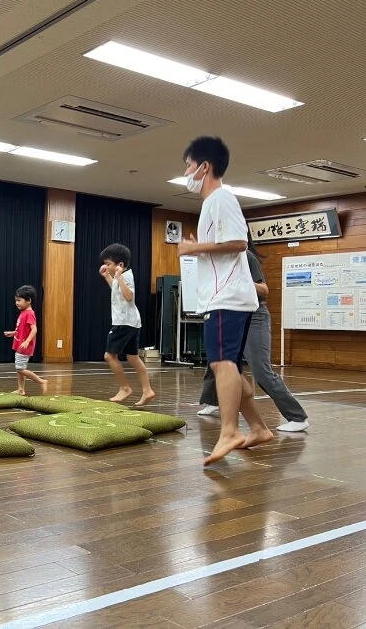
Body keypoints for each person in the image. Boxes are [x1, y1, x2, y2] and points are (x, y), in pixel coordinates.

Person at [177, 136, 274, 465]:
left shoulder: (221, 198)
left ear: (204, 167)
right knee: (231, 368)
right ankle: (259, 428)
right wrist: (199, 247)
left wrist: (195, 249)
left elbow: (237, 244)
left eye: (189, 166)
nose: (187, 172)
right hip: (224, 298)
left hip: (228, 298)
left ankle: (230, 430)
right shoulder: (210, 205)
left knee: (221, 365)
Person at [197, 238, 309, 432]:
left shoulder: (245, 257)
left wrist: (239, 282)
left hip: (254, 316)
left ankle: (297, 417)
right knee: (219, 361)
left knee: (261, 371)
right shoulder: (218, 262)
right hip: (231, 315)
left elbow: (263, 289)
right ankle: (213, 400)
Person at [99, 243, 156, 407]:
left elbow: (129, 296)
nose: (106, 266)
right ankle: (147, 390)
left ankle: (124, 387)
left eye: (108, 263)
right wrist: (108, 278)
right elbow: (117, 292)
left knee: (109, 356)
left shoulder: (126, 276)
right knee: (133, 357)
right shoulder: (120, 276)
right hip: (131, 321)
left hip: (123, 322)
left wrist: (118, 278)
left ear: (120, 265)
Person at [4, 285, 47, 395]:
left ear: (28, 301)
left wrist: (27, 341)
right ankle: (21, 389)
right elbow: (22, 329)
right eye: (16, 300)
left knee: (20, 369)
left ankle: (41, 381)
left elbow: (34, 330)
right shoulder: (23, 313)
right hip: (20, 344)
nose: (17, 303)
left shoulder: (29, 314)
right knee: (20, 369)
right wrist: (13, 333)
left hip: (24, 346)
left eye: (19, 300)